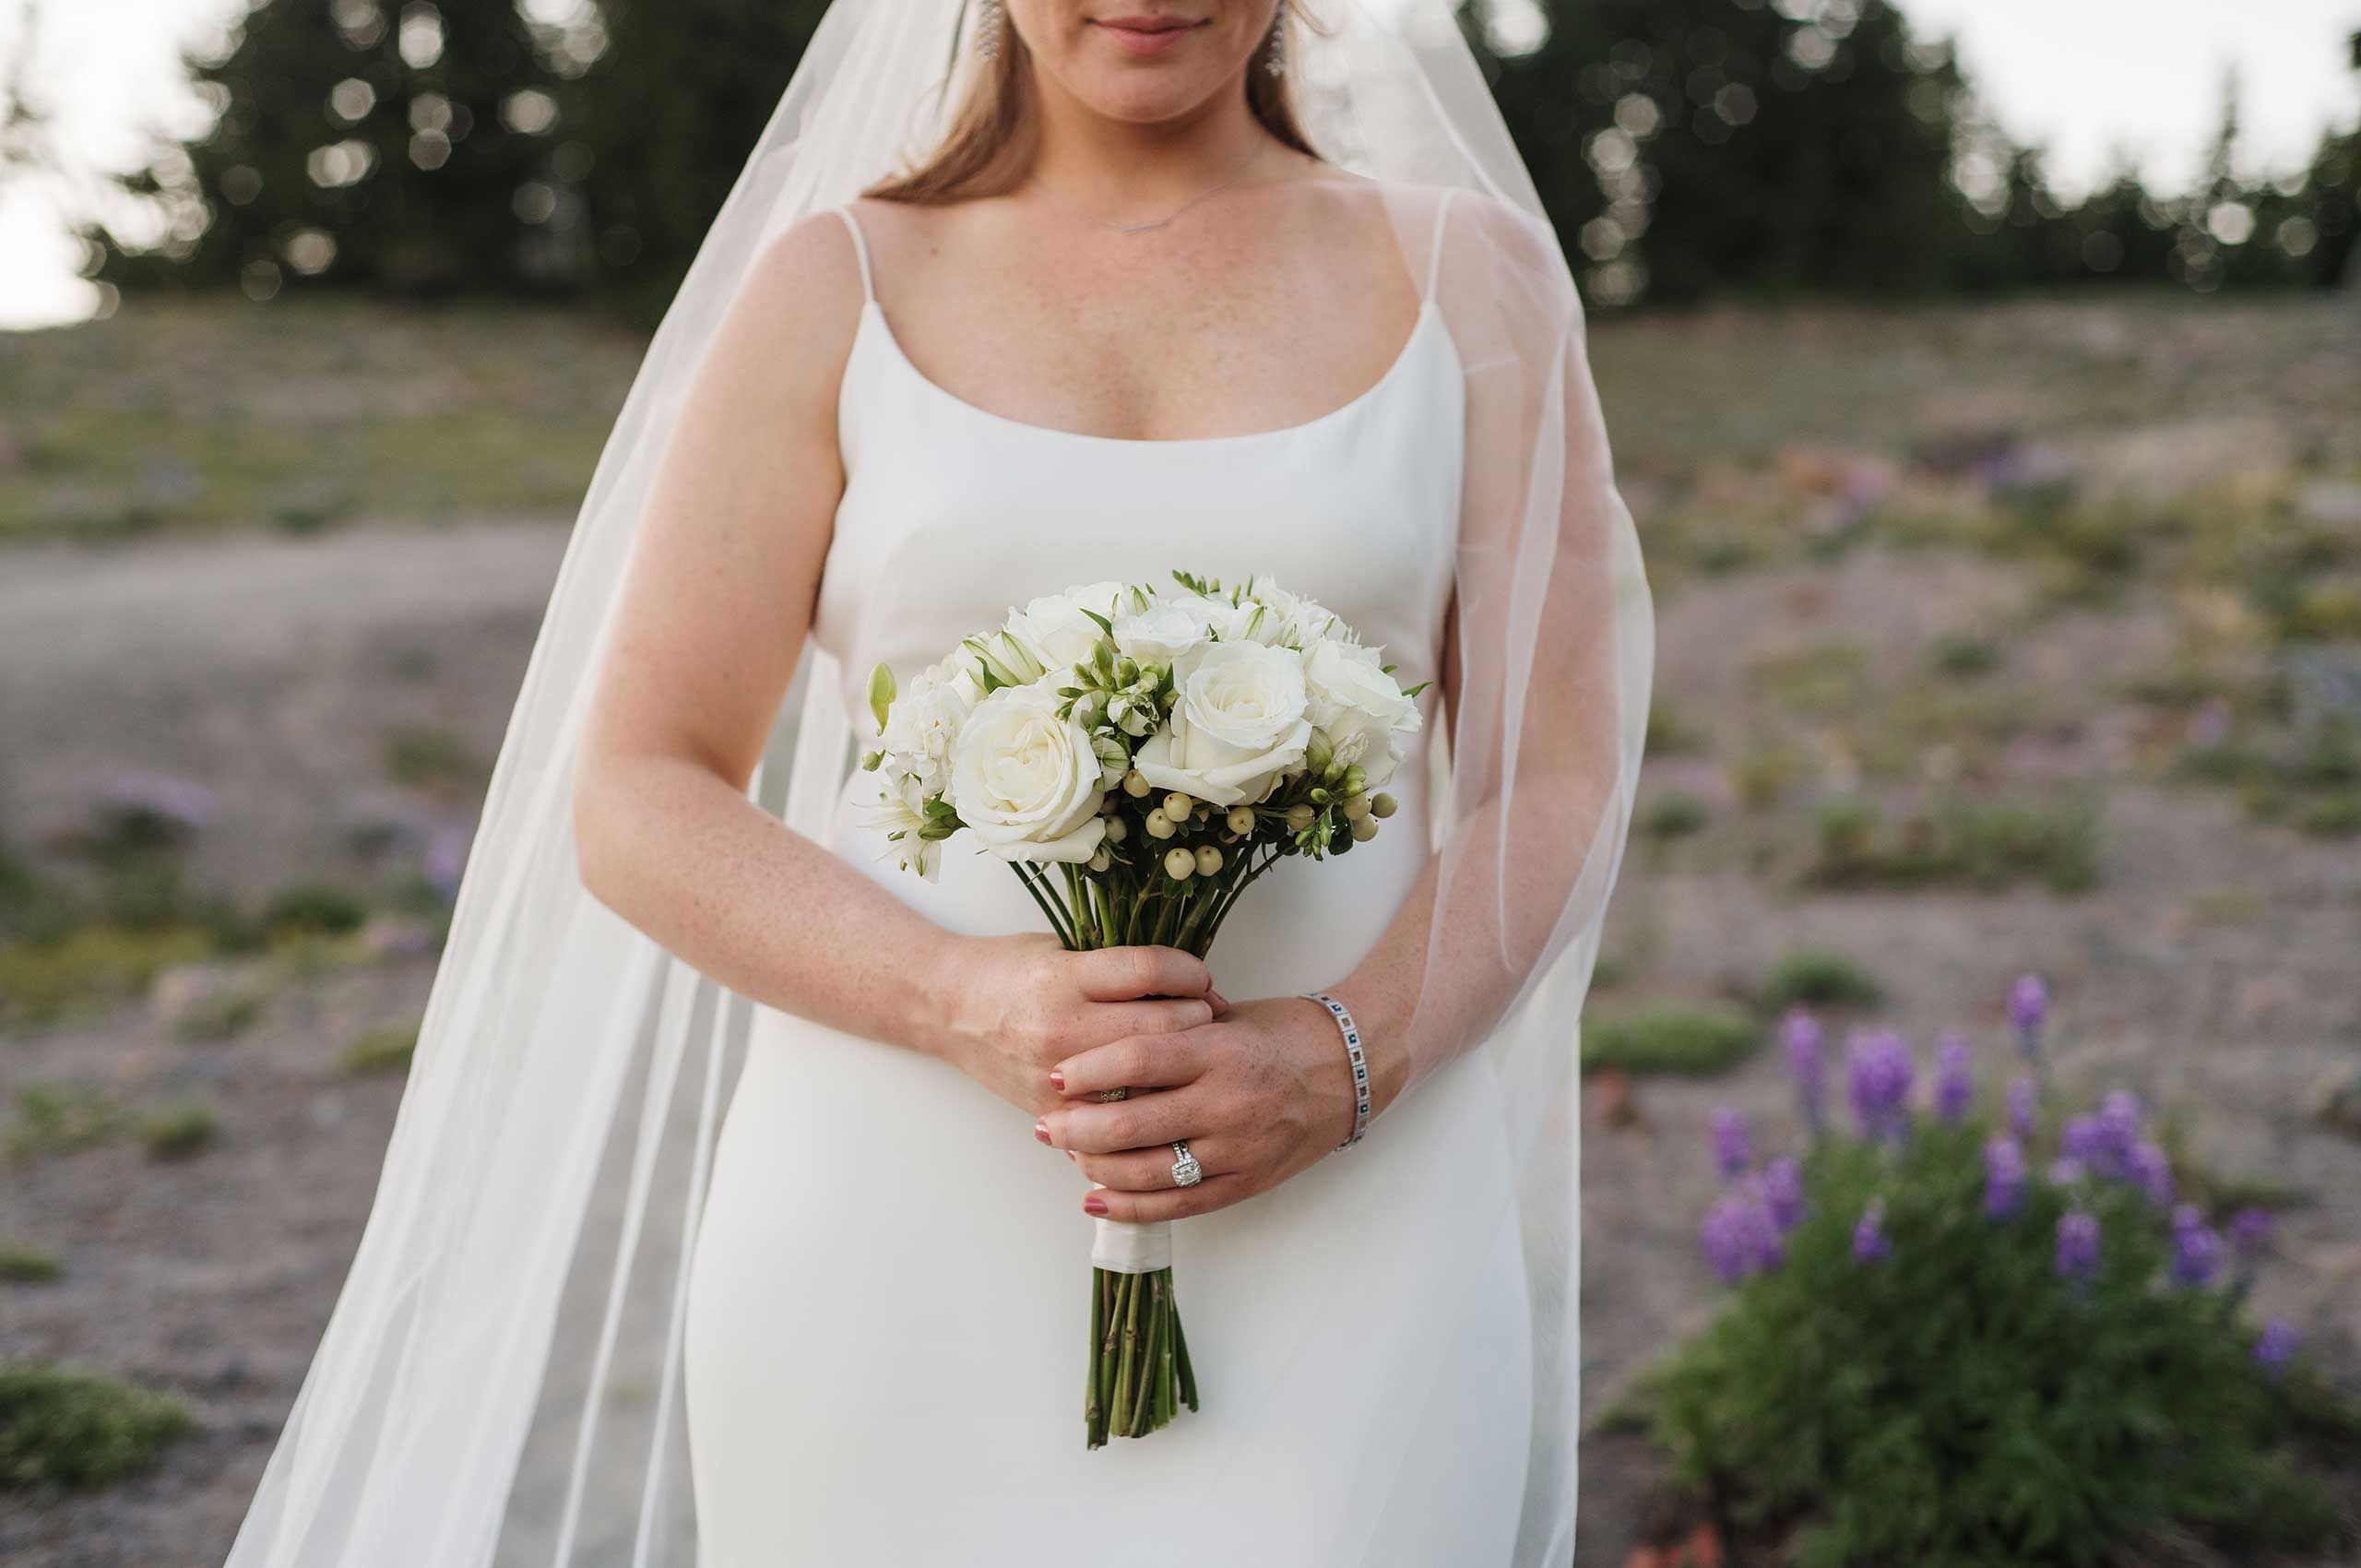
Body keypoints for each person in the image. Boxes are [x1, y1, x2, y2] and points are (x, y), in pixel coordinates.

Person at [221, 4, 1651, 1565]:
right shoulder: (836, 285)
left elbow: (1555, 769)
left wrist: (1337, 1061)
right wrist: (959, 997)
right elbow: (639, 784)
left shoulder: (1471, 281)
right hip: (889, 1214)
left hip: (1353, 1209)